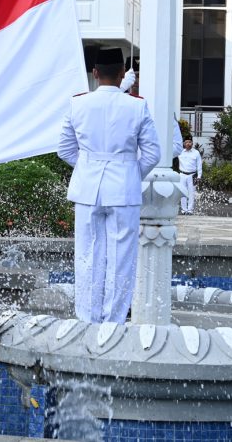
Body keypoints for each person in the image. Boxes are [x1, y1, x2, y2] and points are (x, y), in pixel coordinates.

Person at [59, 48, 161, 324]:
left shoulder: (78, 104)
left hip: (87, 189)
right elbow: (153, 154)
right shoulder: (137, 105)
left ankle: (86, 319)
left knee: (87, 255)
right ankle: (113, 322)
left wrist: (87, 168)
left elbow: (65, 150)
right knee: (121, 258)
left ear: (95, 73)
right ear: (121, 74)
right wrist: (129, 173)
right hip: (123, 191)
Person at [177, 137, 203, 215]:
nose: (188, 143)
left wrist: (199, 176)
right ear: (184, 143)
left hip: (192, 175)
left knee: (191, 193)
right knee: (182, 193)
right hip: (182, 174)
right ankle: (184, 210)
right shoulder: (180, 152)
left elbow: (199, 165)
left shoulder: (196, 153)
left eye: (190, 142)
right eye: (186, 142)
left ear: (192, 143)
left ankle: (190, 210)